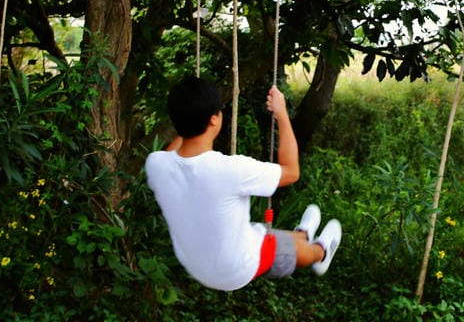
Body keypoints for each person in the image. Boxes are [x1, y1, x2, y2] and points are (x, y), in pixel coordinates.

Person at [145, 75, 341, 291]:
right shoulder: (230, 170)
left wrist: (188, 116)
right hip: (234, 269)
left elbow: (175, 149)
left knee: (259, 232)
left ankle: (302, 235)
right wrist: (282, 114)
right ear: (214, 120)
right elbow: (292, 172)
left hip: (194, 262)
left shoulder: (156, 164)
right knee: (279, 248)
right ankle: (321, 252)